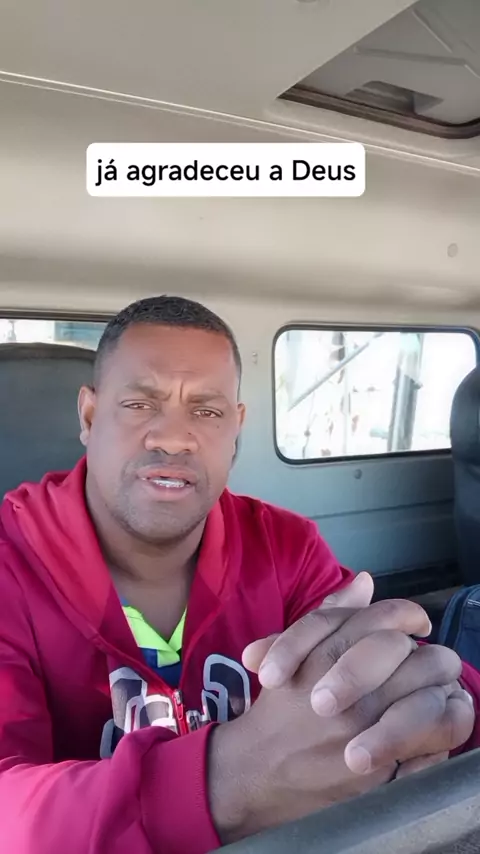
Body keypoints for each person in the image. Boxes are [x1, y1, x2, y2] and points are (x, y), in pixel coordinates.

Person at [0, 295, 478, 854]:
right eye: (139, 404)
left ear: (237, 429)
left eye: (206, 411)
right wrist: (227, 782)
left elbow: (393, 680)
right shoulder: (11, 566)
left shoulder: (285, 547)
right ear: (88, 416)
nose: (173, 437)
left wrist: (435, 702)